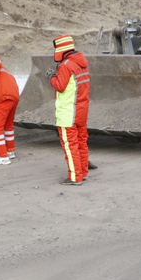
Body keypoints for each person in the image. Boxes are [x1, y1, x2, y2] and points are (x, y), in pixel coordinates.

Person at [45, 35, 90, 185]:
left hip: (68, 114)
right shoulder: (81, 63)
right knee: (81, 143)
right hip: (81, 111)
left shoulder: (66, 65)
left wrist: (51, 77)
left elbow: (60, 86)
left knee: (71, 147)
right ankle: (82, 173)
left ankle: (75, 177)